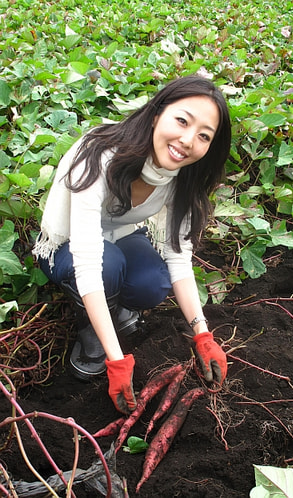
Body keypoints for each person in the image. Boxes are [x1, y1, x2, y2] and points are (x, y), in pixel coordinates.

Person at [33, 75, 231, 415]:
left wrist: (203, 335)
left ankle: (117, 308)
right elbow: (88, 261)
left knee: (153, 281)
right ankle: (92, 335)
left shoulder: (182, 177)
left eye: (203, 136)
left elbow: (178, 257)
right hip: (68, 248)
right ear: (157, 114)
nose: (187, 140)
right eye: (182, 121)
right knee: (107, 266)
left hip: (120, 238)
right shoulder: (99, 153)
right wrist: (116, 359)